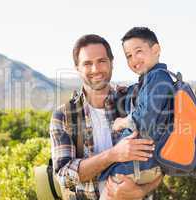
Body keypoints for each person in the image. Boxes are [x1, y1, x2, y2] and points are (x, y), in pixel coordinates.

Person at [50, 34, 163, 200]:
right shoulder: (64, 116)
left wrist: (141, 191)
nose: (96, 69)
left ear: (111, 62)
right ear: (77, 68)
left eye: (102, 61)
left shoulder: (133, 99)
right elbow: (64, 176)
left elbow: (162, 157)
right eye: (87, 63)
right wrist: (114, 154)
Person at [99, 27, 175, 199]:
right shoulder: (148, 80)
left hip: (137, 165)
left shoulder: (158, 78)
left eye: (138, 51)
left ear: (156, 50)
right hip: (137, 165)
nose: (134, 59)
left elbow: (146, 120)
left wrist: (122, 122)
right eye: (128, 56)